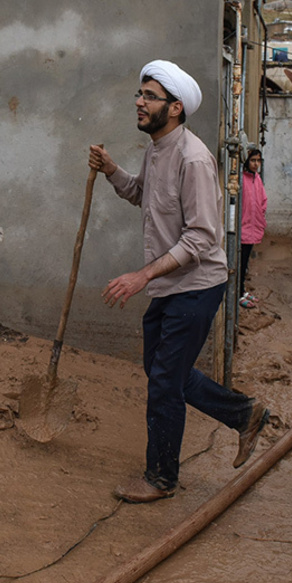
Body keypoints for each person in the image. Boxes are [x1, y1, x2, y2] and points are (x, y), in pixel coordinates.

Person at [88, 59, 271, 504]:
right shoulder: (156, 151)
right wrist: (112, 169)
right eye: (140, 93)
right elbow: (140, 194)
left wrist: (142, 275)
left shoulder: (193, 158)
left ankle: (161, 477)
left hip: (197, 286)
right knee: (162, 372)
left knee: (164, 382)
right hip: (171, 287)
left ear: (174, 108)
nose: (139, 101)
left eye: (149, 96)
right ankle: (244, 414)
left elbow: (202, 238)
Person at [238, 148, 267, 309]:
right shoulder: (242, 179)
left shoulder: (257, 178)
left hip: (253, 228)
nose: (256, 164)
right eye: (253, 160)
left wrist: (261, 218)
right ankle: (239, 294)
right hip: (243, 229)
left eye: (258, 161)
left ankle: (242, 290)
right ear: (246, 161)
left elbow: (263, 200)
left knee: (245, 262)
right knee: (240, 264)